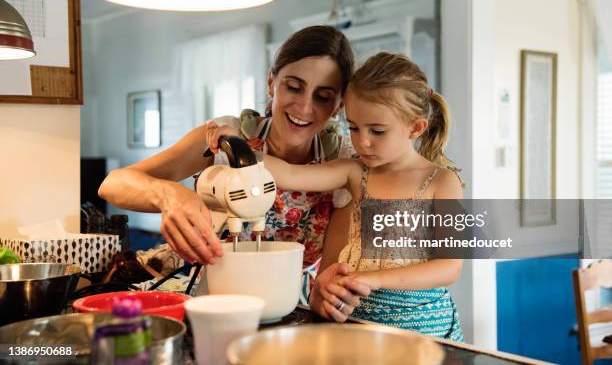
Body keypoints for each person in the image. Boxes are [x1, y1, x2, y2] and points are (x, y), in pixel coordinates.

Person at [98, 25, 370, 312]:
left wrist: (329, 297)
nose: (304, 107)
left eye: (322, 97)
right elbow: (112, 184)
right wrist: (169, 195)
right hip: (209, 298)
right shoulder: (225, 139)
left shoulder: (342, 163)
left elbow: (329, 270)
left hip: (287, 302)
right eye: (294, 86)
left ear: (339, 104)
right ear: (271, 82)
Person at [209, 52, 464, 340]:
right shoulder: (355, 172)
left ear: (416, 127)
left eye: (377, 131)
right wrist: (236, 143)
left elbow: (449, 267)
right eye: (353, 127)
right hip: (357, 320)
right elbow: (288, 173)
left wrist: (370, 280)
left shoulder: (442, 181)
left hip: (425, 327)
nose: (362, 141)